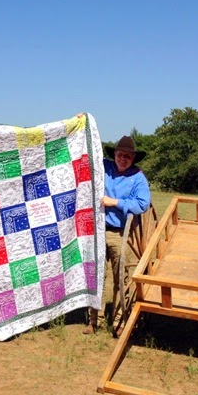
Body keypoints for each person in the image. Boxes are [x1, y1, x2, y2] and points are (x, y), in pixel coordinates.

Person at [84, 135, 151, 335]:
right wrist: (80, 123)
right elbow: (86, 153)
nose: (123, 159)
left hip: (120, 232)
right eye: (120, 155)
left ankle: (120, 320)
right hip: (97, 229)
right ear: (114, 154)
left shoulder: (138, 177)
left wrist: (116, 202)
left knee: (121, 277)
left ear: (133, 158)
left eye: (127, 156)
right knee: (97, 275)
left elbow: (142, 204)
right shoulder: (104, 167)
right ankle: (94, 320)